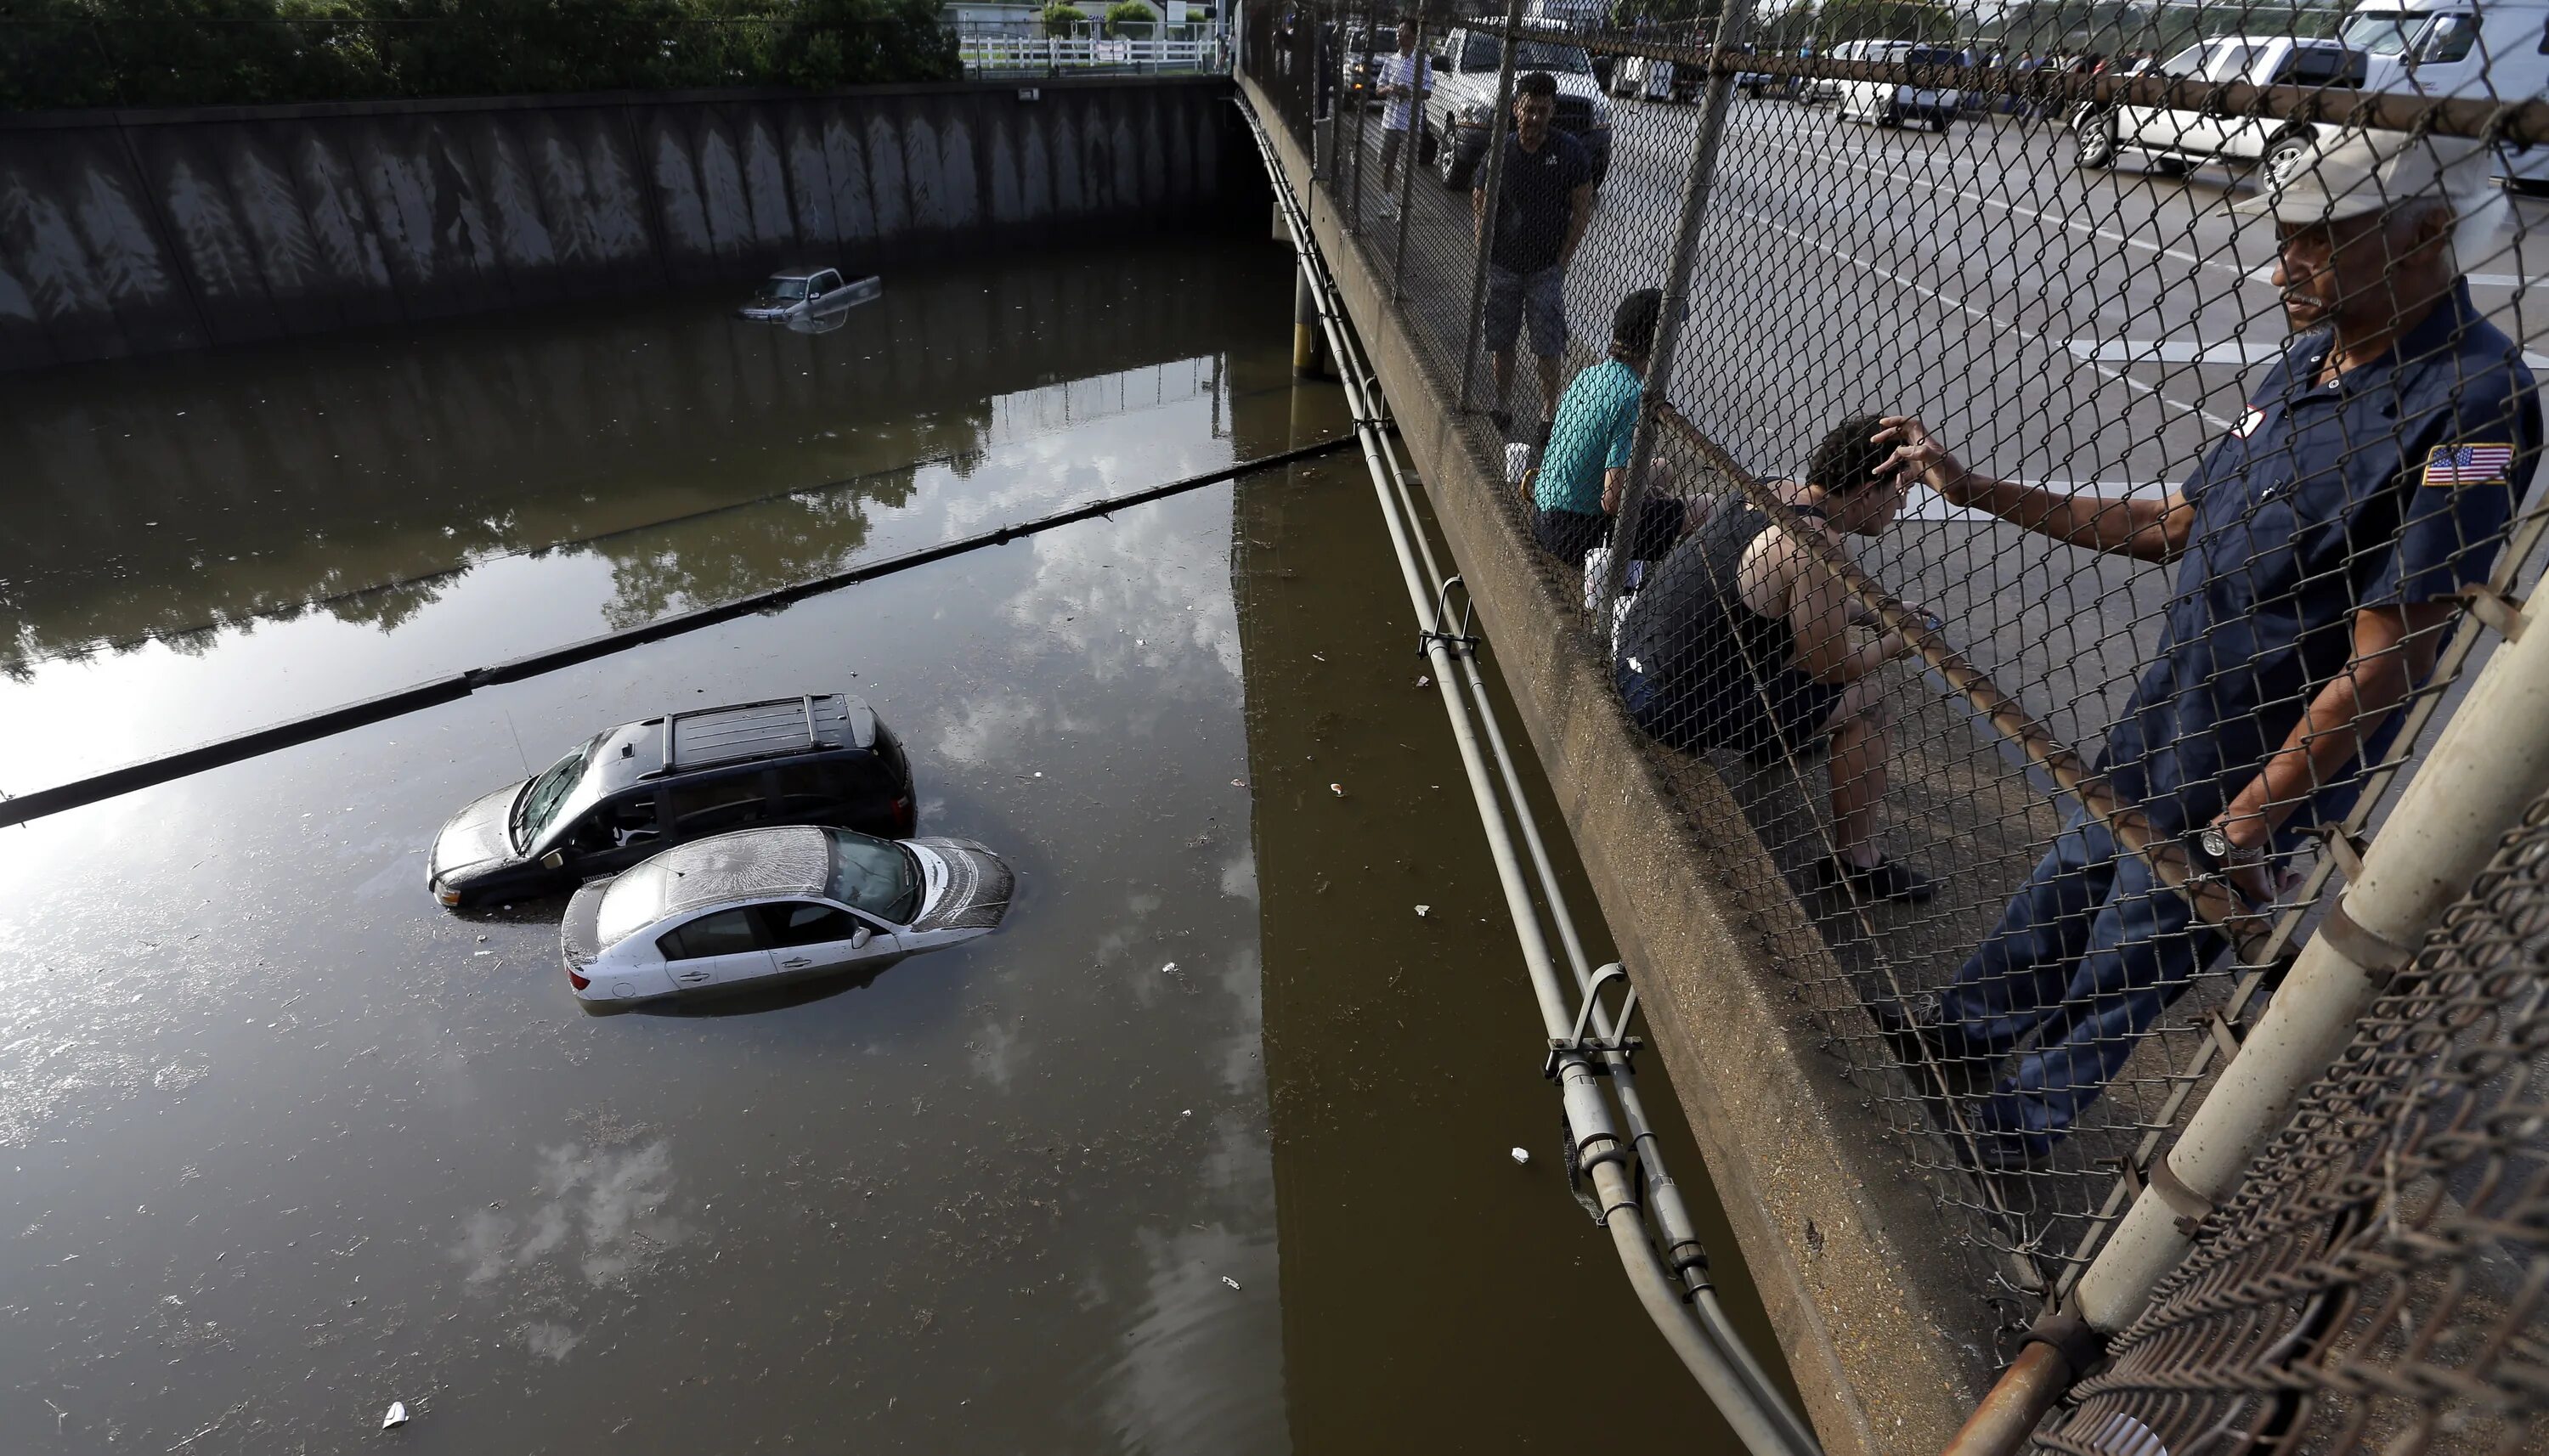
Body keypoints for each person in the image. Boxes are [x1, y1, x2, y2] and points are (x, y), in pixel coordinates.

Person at [1877, 129, 2542, 1170]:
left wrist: (2243, 834)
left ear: (2426, 230)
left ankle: (2009, 1135)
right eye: (2283, 240)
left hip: (2260, 760)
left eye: (2316, 241)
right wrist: (1981, 491)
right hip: (2171, 709)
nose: (2283, 268)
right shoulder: (2311, 355)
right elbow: (2177, 523)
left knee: (2136, 950)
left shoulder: (2475, 399)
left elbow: (2389, 661)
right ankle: (1968, 1034)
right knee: (2069, 875)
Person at [1614, 415, 1935, 903]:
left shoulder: (1771, 491)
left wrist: (1879, 614)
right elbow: (1831, 668)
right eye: (1900, 490)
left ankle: (1769, 740)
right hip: (1669, 706)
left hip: (1634, 657)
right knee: (1867, 699)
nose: (1903, 503)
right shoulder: (1816, 548)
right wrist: (1903, 636)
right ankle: (1856, 865)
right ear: (1869, 492)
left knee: (1776, 642)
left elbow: (1798, 603)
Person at [1473, 71, 1595, 439]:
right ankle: (1503, 403)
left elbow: (1583, 205)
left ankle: (1548, 413)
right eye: (1529, 110)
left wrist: (1562, 260)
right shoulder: (1501, 150)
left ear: (1551, 111)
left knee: (1547, 344)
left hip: (1545, 268)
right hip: (1503, 266)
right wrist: (1481, 247)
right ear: (1516, 109)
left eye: (1543, 110)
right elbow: (1480, 198)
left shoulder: (1569, 151)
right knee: (1502, 340)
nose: (1535, 118)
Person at [1529, 287, 1687, 566]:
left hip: (1544, 514)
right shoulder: (1633, 397)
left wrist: (1644, 494)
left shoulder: (1591, 374)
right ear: (1658, 343)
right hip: (1578, 535)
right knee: (1703, 507)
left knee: (1663, 469)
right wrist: (1646, 503)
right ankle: (1667, 580)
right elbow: (1612, 502)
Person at [1375, 21, 1431, 205]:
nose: (1400, 36)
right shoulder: (1392, 60)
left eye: (1405, 33)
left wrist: (1410, 93)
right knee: (1388, 163)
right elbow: (1378, 89)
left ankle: (1404, 204)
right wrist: (1391, 89)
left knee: (1408, 168)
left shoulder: (1423, 61)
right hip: (1391, 121)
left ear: (1414, 37)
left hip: (1411, 123)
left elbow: (1427, 92)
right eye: (1399, 32)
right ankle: (1387, 199)